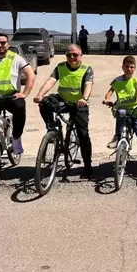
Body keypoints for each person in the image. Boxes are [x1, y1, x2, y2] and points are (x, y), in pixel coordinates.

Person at [34, 44, 95, 178]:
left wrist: (84, 98)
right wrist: (39, 94)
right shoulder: (61, 67)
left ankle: (88, 166)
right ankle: (53, 129)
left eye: (75, 55)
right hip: (62, 100)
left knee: (83, 135)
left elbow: (88, 85)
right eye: (68, 55)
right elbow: (50, 81)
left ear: (81, 55)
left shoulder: (87, 69)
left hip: (79, 103)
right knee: (44, 103)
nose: (72, 57)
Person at [102, 56, 137, 176]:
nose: (129, 69)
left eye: (132, 67)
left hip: (135, 111)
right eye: (127, 66)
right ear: (122, 67)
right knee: (121, 113)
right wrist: (107, 100)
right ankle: (117, 136)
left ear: (134, 68)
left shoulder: (136, 81)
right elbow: (109, 93)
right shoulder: (117, 81)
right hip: (122, 110)